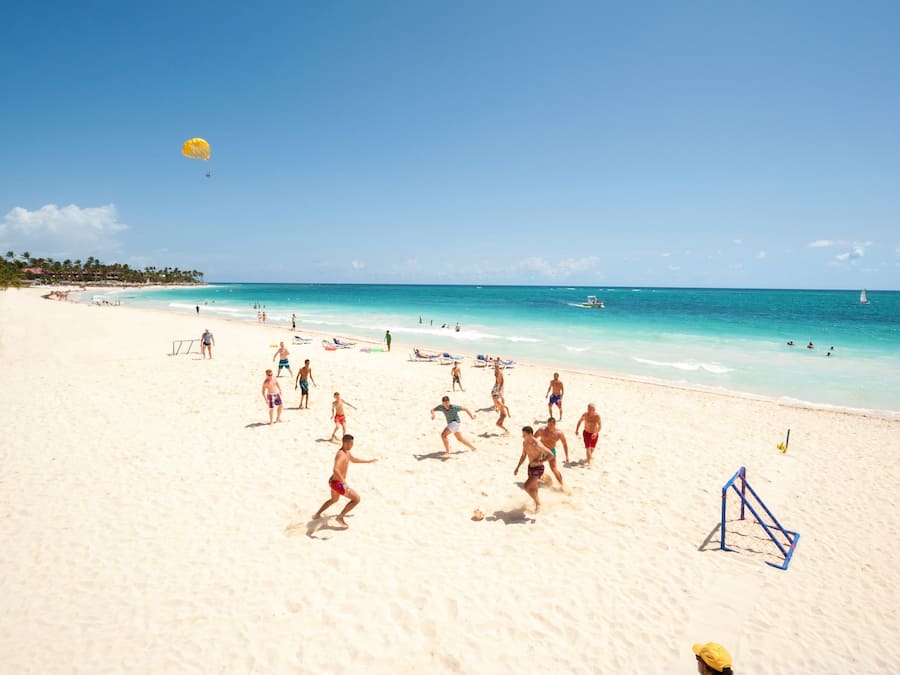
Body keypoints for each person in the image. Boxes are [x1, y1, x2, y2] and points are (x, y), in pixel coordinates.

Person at [312, 434, 377, 529]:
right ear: (345, 443)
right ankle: (340, 517)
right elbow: (335, 469)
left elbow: (354, 459)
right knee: (356, 499)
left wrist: (368, 461)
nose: (352, 445)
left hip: (333, 481)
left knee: (334, 500)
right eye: (351, 443)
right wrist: (343, 483)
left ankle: (317, 514)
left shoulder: (346, 452)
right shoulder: (341, 455)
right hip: (337, 484)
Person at [514, 426, 557, 513]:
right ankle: (537, 504)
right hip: (530, 467)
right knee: (534, 488)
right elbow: (523, 455)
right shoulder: (525, 443)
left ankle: (538, 503)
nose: (523, 436)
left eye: (524, 434)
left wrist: (540, 461)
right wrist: (518, 467)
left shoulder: (537, 444)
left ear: (530, 434)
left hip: (538, 468)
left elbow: (551, 455)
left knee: (526, 487)